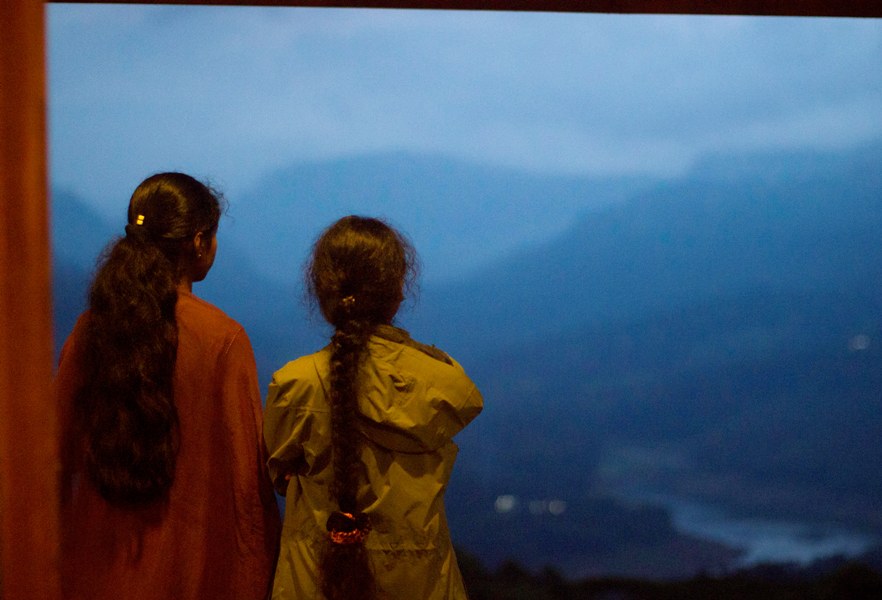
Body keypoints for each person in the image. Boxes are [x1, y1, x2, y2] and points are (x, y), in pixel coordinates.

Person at [54, 172, 280, 600]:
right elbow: (247, 486)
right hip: (187, 573)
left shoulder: (90, 329)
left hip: (89, 570)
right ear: (198, 242)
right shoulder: (222, 339)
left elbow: (52, 456)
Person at [264, 216, 483, 600]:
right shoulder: (442, 385)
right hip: (424, 584)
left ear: (323, 292)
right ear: (398, 292)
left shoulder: (296, 385)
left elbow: (279, 475)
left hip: (312, 581)